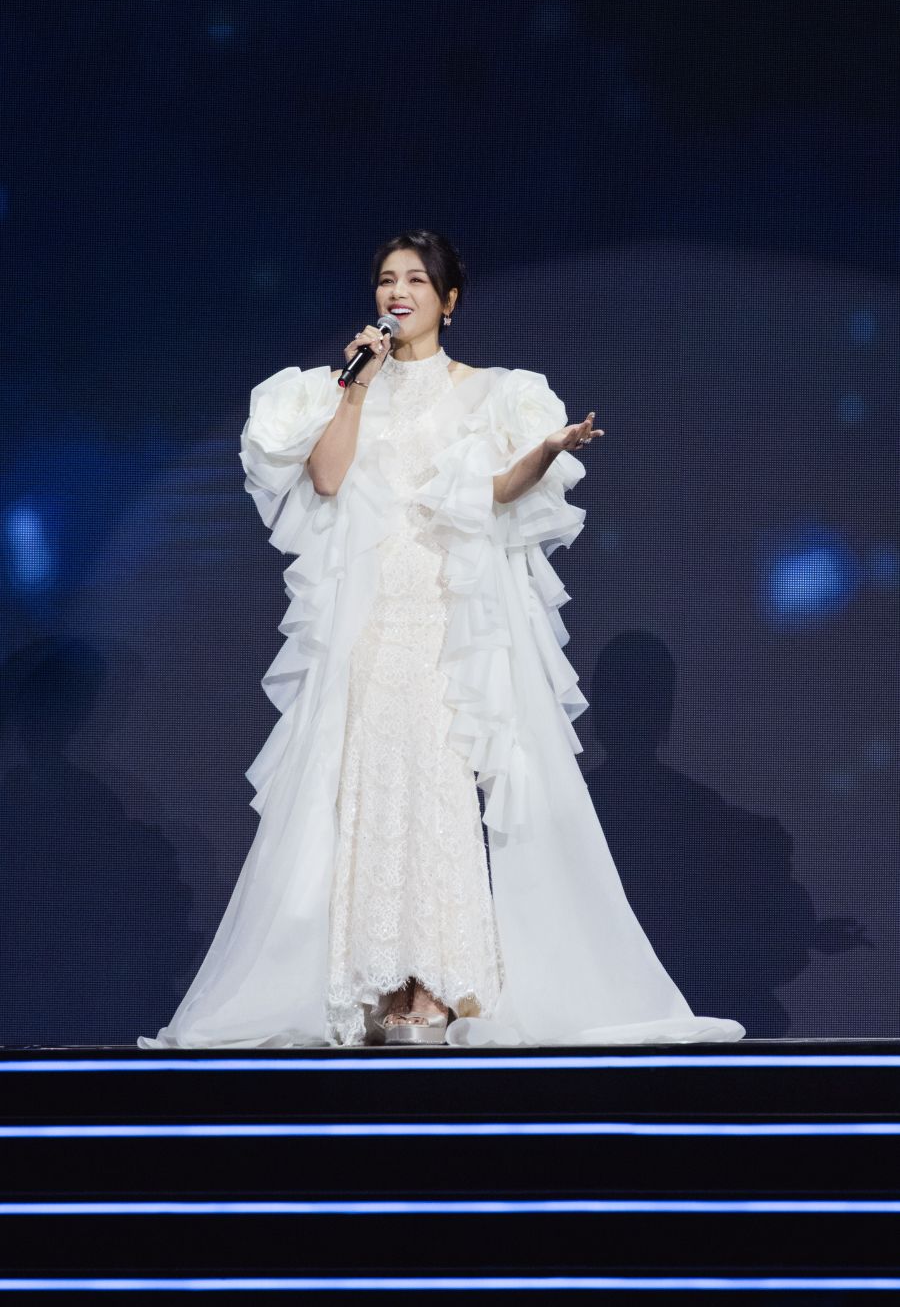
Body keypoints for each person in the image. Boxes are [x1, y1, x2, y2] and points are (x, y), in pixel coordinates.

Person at [138, 229, 744, 1049]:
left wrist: (547, 450)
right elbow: (326, 478)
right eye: (387, 279)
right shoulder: (340, 386)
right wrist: (356, 386)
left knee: (435, 782)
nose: (398, 292)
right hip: (369, 620)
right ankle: (374, 980)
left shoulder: (490, 392)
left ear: (449, 300)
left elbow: (497, 490)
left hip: (445, 618)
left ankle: (435, 981)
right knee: (370, 788)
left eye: (417, 280)